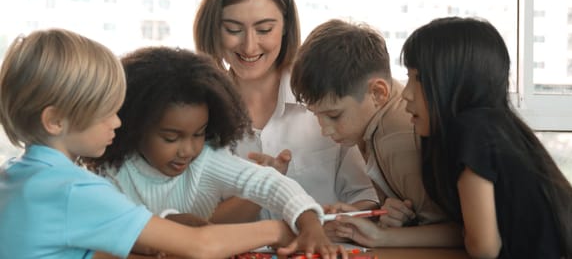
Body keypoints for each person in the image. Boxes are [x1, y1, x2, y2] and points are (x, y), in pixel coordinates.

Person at [0, 29, 344, 259]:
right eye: (105, 112)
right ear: (55, 121)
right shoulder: (74, 188)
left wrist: (163, 228)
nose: (118, 123)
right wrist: (279, 229)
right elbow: (201, 245)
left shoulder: (17, 177)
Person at [337, 16, 572, 258]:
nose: (407, 93)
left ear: (452, 82)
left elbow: (483, 246)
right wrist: (380, 237)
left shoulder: (472, 132)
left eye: (416, 79)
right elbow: (468, 233)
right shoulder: (493, 128)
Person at [85, 46, 344, 257]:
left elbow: (269, 183)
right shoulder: (112, 173)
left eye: (198, 134)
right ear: (136, 128)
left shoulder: (208, 159)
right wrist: (170, 226)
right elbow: (107, 235)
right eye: (170, 137)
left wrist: (309, 223)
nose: (187, 150)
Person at [193, 0, 378, 223]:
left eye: (264, 29)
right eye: (233, 29)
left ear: (285, 28)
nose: (249, 46)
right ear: (214, 28)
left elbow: (365, 196)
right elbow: (195, 223)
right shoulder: (197, 114)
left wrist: (347, 217)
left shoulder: (326, 100)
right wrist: (261, 188)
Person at [289, 18, 461, 246]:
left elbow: (458, 232)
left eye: (334, 115)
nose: (324, 130)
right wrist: (368, 214)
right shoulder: (372, 121)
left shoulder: (395, 139)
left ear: (378, 93)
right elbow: (410, 216)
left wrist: (380, 236)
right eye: (316, 115)